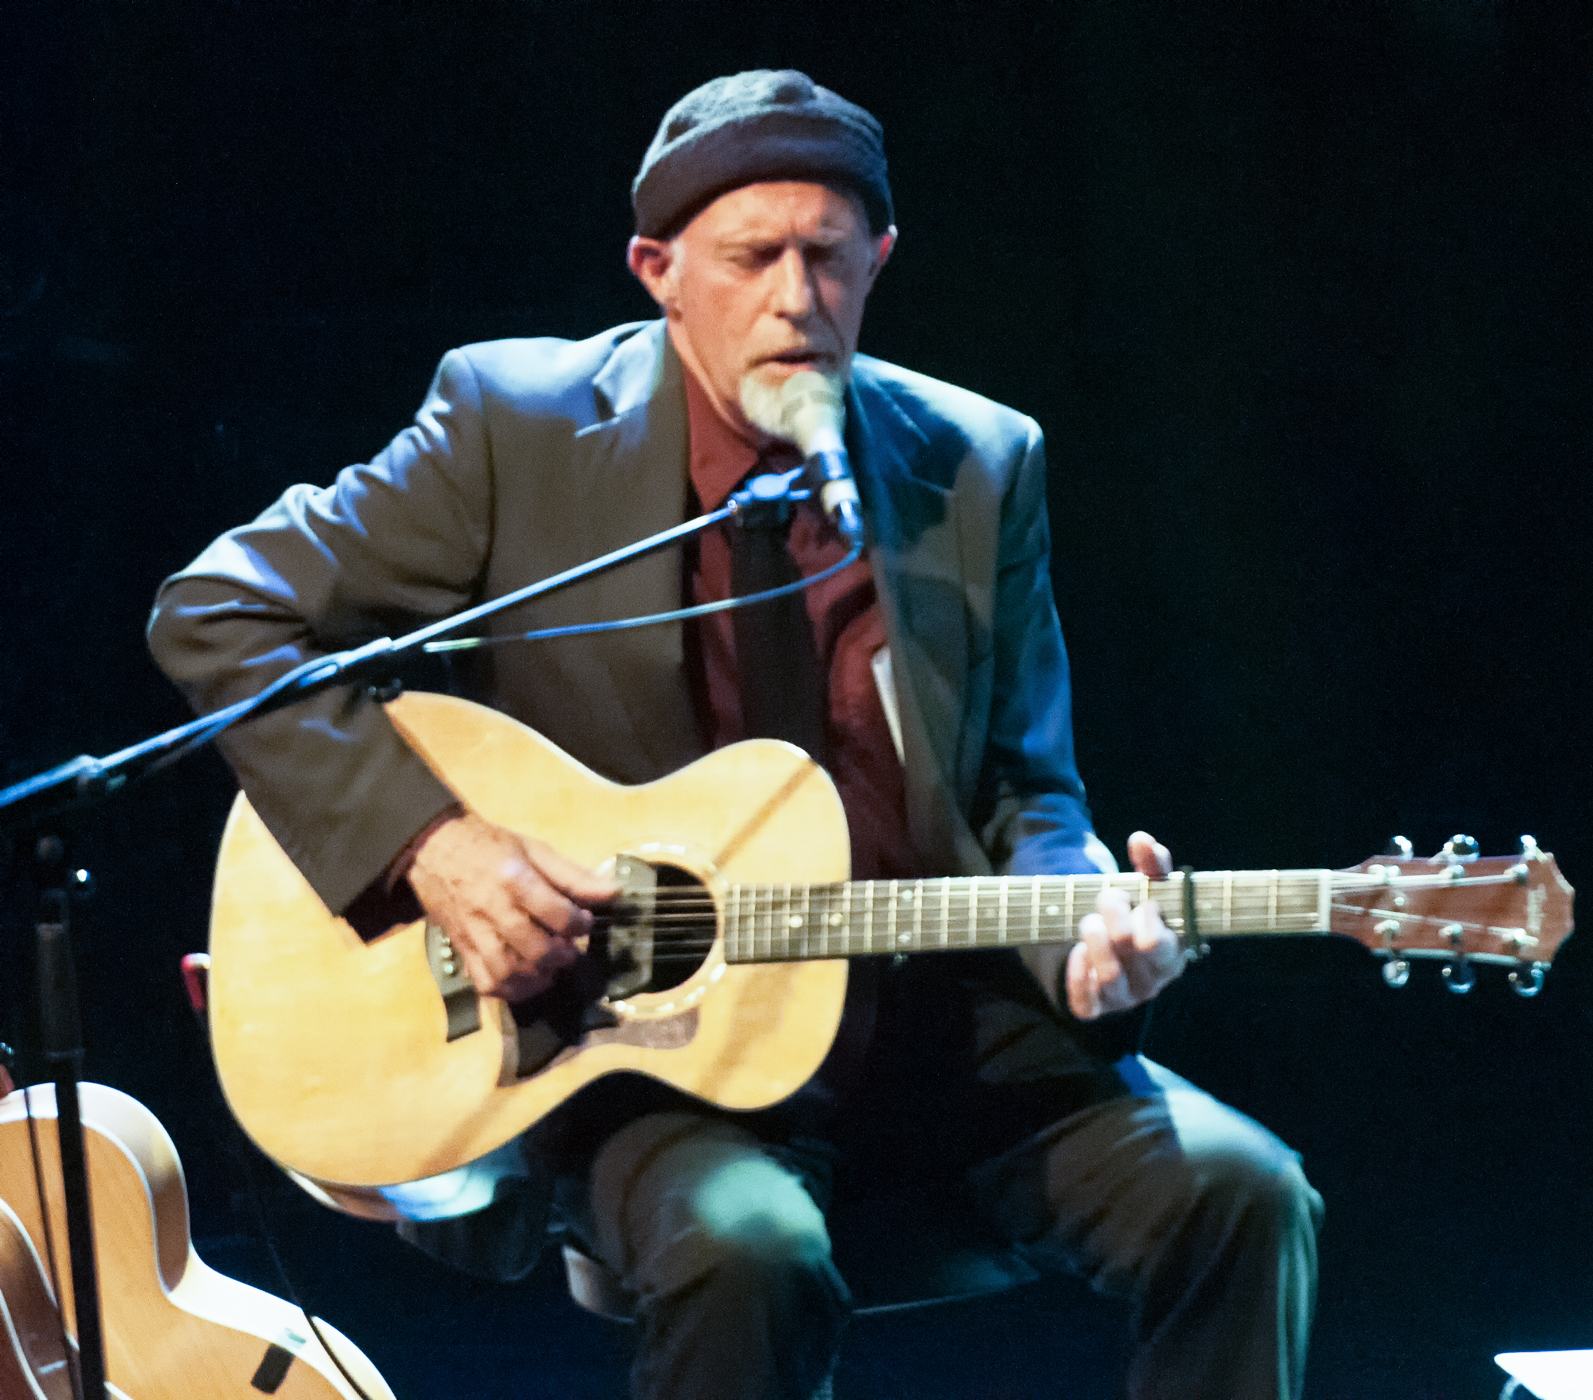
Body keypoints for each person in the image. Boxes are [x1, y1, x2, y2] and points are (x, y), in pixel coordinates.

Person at [149, 70, 1321, 1400]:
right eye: (751, 257)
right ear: (658, 269)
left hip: (936, 1029)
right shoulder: (513, 424)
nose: (794, 297)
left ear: (878, 261)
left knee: (1247, 1195)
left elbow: (1023, 798)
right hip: (645, 1052)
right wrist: (432, 846)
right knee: (751, 1251)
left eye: (828, 257)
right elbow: (220, 612)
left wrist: (1085, 941)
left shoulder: (976, 463)